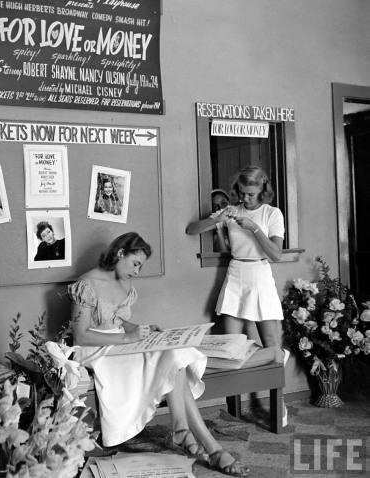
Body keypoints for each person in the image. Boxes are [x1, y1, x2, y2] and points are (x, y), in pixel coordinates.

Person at [68, 232, 250, 477]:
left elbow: (120, 321)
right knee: (168, 361)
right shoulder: (87, 283)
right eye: (135, 263)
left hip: (121, 343)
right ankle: (208, 445)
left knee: (174, 355)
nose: (137, 271)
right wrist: (126, 338)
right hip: (94, 348)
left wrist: (143, 330)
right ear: (120, 253)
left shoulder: (125, 283)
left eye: (141, 267)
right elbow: (80, 336)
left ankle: (183, 431)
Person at [186, 165, 289, 425]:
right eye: (242, 193)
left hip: (260, 277)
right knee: (230, 347)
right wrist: (218, 218)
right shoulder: (233, 210)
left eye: (251, 194)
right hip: (236, 275)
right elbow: (192, 230)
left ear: (263, 191)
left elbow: (276, 255)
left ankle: (280, 402)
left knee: (272, 345)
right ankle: (235, 406)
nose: (246, 199)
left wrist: (254, 228)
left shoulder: (272, 213)